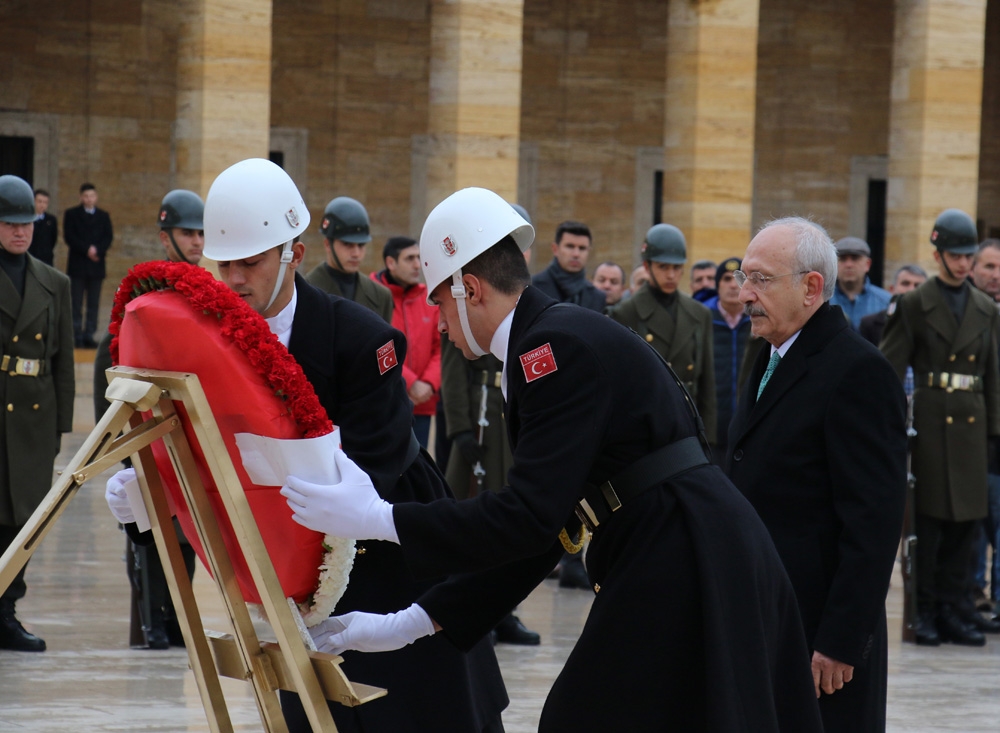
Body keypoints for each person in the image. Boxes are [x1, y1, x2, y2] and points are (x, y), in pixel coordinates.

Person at [278, 186, 824, 731]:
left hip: (685, 553)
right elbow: (545, 529)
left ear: (470, 290)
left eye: (439, 302)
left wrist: (381, 518)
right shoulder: (549, 339)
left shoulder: (551, 351)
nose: (439, 324)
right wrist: (414, 622)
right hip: (677, 545)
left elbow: (527, 516)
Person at [107, 160, 507, 732]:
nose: (235, 279)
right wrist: (160, 488)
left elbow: (374, 464)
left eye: (251, 262)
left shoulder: (363, 339)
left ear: (292, 253)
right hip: (291, 571)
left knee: (420, 708)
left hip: (388, 551)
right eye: (225, 264)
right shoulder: (206, 340)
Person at [726, 217, 907, 732]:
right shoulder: (770, 356)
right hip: (766, 618)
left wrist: (840, 641)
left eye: (761, 279)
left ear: (811, 288)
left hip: (820, 641)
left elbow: (873, 523)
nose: (744, 293)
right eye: (744, 277)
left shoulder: (858, 372)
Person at [881, 208, 1000, 646]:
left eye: (969, 255)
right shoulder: (914, 304)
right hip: (931, 422)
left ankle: (956, 609)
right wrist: (889, 428)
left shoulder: (985, 308)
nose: (963, 263)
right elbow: (890, 369)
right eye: (955, 255)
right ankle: (926, 610)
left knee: (966, 525)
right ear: (938, 255)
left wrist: (995, 431)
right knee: (928, 526)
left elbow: (993, 374)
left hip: (972, 422)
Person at [94, 189, 204, 650]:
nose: (196, 242)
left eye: (201, 234)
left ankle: (177, 619)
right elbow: (113, 357)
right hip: (144, 424)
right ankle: (150, 620)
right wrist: (117, 440)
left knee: (189, 531)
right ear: (165, 237)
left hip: (187, 428)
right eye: (187, 233)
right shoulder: (143, 290)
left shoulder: (206, 292)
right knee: (147, 526)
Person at [0, 174, 75, 652]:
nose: (19, 230)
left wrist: (60, 427)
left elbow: (63, 361)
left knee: (23, 519)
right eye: (10, 222)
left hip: (33, 418)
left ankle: (6, 612)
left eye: (26, 222)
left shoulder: (54, 282)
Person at [608, 223, 716, 445]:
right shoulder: (625, 313)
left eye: (677, 267)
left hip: (688, 424)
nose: (671, 275)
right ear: (647, 266)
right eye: (663, 267)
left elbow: (707, 383)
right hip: (645, 428)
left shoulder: (699, 313)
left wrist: (708, 439)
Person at [371, 236, 440, 448]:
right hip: (385, 403)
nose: (417, 265)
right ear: (391, 263)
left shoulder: (429, 298)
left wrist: (428, 383)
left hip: (422, 404)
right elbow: (376, 346)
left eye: (418, 257)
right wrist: (410, 382)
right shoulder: (372, 295)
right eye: (410, 258)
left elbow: (441, 348)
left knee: (418, 463)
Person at [970, 239, 1000, 620]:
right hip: (973, 435)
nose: (996, 275)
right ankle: (974, 594)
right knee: (975, 525)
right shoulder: (967, 312)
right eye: (990, 266)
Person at [305, 196, 392, 323]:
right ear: (328, 244)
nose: (356, 253)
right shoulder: (305, 290)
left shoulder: (380, 296)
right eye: (347, 244)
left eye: (361, 245)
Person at [707, 257, 751, 462]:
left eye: (739, 278)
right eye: (726, 279)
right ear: (717, 285)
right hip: (712, 431)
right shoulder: (703, 320)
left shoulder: (759, 323)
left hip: (747, 428)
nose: (733, 285)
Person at [63, 182, 113, 348]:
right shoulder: (72, 214)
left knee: (93, 303)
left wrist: (97, 250)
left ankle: (89, 334)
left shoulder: (103, 216)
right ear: (81, 197)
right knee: (76, 303)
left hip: (96, 265)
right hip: (78, 265)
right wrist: (87, 249)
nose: (89, 199)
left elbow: (108, 237)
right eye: (86, 196)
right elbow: (69, 236)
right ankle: (76, 335)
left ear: (96, 197)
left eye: (92, 196)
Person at [530, 220, 605, 311]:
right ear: (555, 249)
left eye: (582, 248)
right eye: (570, 246)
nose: (576, 254)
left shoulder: (597, 297)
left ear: (589, 251)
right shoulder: (533, 287)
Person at [858, 265, 927, 347]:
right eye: (905, 284)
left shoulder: (933, 324)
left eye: (917, 285)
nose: (911, 290)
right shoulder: (869, 324)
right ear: (892, 289)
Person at [829, 236, 891, 329]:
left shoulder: (885, 302)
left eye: (855, 258)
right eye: (843, 259)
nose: (849, 265)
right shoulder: (824, 300)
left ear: (867, 264)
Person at [28, 189, 58, 267]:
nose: (42, 205)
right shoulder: (27, 219)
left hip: (46, 259)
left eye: (45, 202)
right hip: (30, 257)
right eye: (40, 201)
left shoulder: (51, 220)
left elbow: (53, 239)